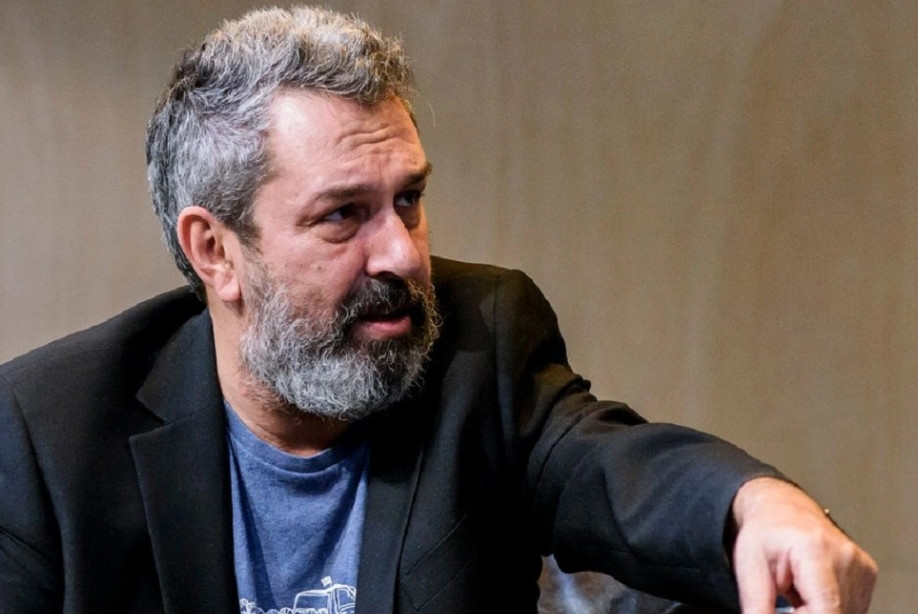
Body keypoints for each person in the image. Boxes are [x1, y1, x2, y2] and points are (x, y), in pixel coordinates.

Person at [0, 6, 876, 614]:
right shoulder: (49, 434)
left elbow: (608, 467)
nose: (403, 254)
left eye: (409, 200)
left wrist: (754, 505)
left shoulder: (478, 339)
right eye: (344, 214)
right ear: (216, 251)